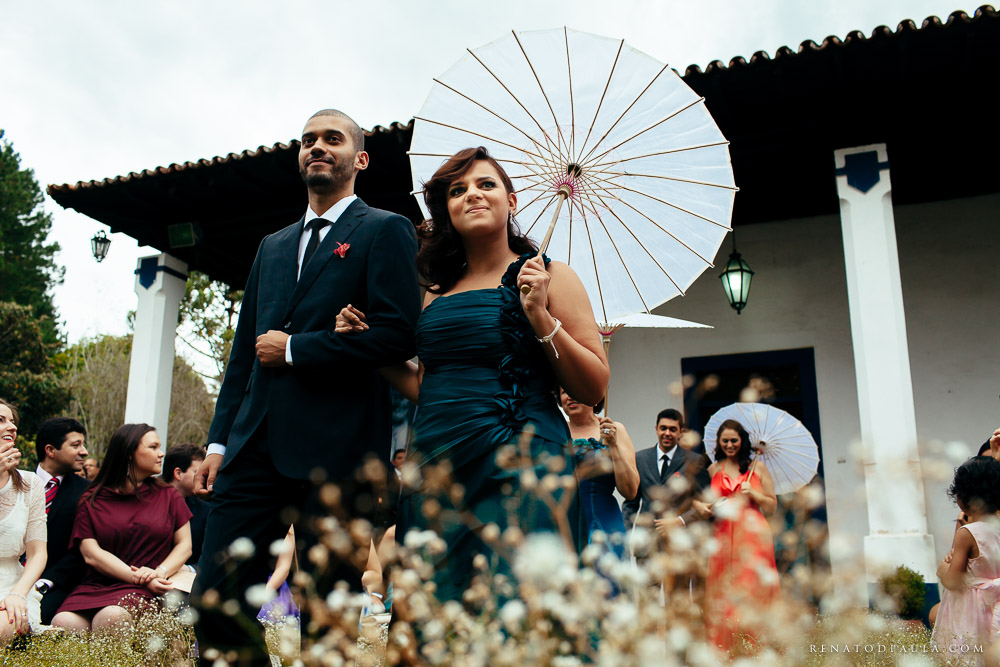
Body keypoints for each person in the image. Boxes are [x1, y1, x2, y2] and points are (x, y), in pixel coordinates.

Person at [192, 108, 420, 663]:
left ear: (359, 159)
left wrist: (297, 348)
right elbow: (245, 353)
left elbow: (397, 335)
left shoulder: (384, 229)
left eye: (332, 139)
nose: (317, 146)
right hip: (253, 447)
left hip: (337, 448)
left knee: (328, 609)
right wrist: (220, 442)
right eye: (308, 140)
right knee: (213, 596)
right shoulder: (271, 245)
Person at [337, 146, 609, 604]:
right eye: (457, 190)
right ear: (446, 209)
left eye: (486, 185)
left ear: (512, 200)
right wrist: (368, 350)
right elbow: (429, 387)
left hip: (522, 464)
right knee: (438, 608)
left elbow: (594, 388)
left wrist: (540, 315)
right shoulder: (434, 294)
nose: (472, 196)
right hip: (437, 467)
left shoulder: (551, 277)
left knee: (519, 609)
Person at [52, 424, 192, 631]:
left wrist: (159, 573)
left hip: (151, 588)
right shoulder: (92, 499)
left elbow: (185, 545)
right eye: (153, 447)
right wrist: (138, 578)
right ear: (129, 454)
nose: (161, 453)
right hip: (98, 585)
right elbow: (91, 554)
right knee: (63, 623)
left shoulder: (168, 495)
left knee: (111, 616)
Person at [704, 419, 779, 651]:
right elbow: (708, 504)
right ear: (718, 443)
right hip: (724, 533)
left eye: (733, 440)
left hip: (753, 533)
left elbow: (772, 506)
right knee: (725, 586)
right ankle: (727, 643)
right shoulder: (713, 469)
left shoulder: (758, 468)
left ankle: (757, 642)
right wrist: (713, 504)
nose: (729, 445)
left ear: (742, 441)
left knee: (750, 583)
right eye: (724, 441)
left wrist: (754, 494)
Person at [931, 456, 1000, 659]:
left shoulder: (968, 533)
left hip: (971, 610)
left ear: (961, 499)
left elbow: (952, 582)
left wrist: (944, 567)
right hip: (995, 608)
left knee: (967, 656)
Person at [560, 389, 638, 564]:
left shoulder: (615, 430)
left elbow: (630, 491)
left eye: (576, 389)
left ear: (593, 395)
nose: (570, 396)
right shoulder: (556, 433)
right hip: (564, 528)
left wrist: (614, 446)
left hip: (605, 525)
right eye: (564, 391)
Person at [33, 416, 91, 624]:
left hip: (56, 586)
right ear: (50, 450)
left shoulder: (88, 492)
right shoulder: (18, 483)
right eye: (76, 445)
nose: (84, 452)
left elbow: (82, 548)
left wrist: (46, 582)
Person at [0, 399, 47, 643]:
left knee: (3, 628)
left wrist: (18, 594)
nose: (12, 427)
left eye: (12, 421)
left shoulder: (31, 484)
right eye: (1, 420)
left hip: (12, 586)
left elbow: (38, 553)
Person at [622, 409, 711, 536]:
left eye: (672, 429)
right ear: (656, 429)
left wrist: (681, 521)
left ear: (681, 432)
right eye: (663, 428)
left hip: (679, 540)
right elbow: (630, 503)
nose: (667, 433)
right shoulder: (640, 459)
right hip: (646, 540)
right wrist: (627, 535)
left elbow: (704, 505)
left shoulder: (694, 461)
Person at [163, 444, 210, 567]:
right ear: (178, 473)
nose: (203, 477)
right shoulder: (148, 504)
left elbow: (210, 556)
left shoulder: (205, 511)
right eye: (197, 472)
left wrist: (191, 569)